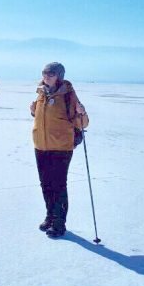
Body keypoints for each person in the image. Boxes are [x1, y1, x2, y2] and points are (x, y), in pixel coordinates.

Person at [29, 62, 89, 239]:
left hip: (61, 147)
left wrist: (82, 112)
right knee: (45, 184)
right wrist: (34, 112)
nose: (47, 76)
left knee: (58, 185)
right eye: (45, 72)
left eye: (51, 73)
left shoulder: (68, 95)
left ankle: (59, 223)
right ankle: (50, 216)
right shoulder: (41, 92)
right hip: (41, 145)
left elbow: (82, 123)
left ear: (59, 75)